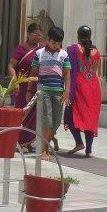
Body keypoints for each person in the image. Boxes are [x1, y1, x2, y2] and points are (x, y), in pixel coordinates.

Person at [29, 26, 71, 162]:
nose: (56, 46)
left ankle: (47, 144)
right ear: (48, 40)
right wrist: (30, 90)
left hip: (58, 92)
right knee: (47, 121)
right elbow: (33, 73)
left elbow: (67, 75)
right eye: (53, 43)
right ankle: (44, 150)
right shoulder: (39, 53)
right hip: (44, 91)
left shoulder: (64, 55)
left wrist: (67, 92)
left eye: (58, 43)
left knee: (57, 122)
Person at [65, 26, 102, 159]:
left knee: (70, 115)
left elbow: (68, 69)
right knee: (90, 119)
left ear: (78, 35)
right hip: (94, 88)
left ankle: (79, 142)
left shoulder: (73, 49)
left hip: (79, 87)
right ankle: (89, 150)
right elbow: (94, 70)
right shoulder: (96, 51)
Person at [7, 23, 43, 153]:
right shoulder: (21, 48)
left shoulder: (43, 49)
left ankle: (28, 142)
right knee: (22, 113)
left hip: (37, 86)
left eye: (40, 35)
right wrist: (15, 82)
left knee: (34, 115)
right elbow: (11, 66)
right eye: (35, 34)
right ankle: (19, 142)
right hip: (22, 86)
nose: (38, 37)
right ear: (28, 34)